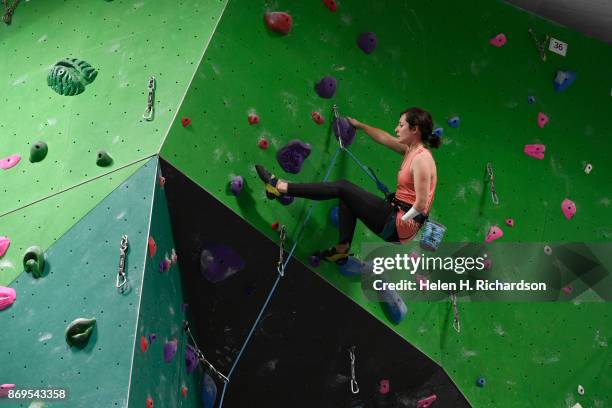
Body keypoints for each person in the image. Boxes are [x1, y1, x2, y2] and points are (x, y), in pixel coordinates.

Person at [255, 107, 439, 265]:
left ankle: (277, 186)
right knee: (348, 197)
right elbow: (385, 138)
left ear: (414, 129)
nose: (396, 128)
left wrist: (399, 217)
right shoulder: (411, 150)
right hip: (399, 222)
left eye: (401, 125)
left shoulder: (422, 159)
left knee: (343, 186)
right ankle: (341, 250)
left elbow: (421, 205)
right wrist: (359, 125)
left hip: (399, 223)